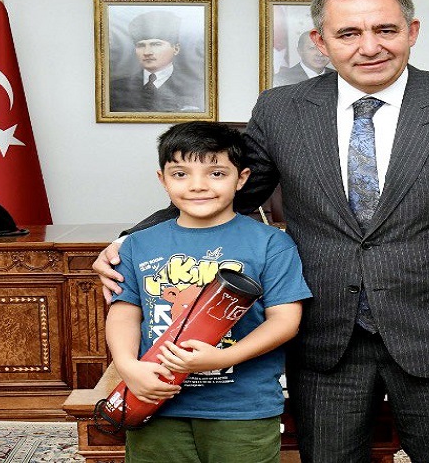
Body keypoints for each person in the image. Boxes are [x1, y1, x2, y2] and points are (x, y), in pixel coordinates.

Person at [96, 0, 429, 462]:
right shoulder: (281, 109)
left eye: (386, 30)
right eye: (348, 33)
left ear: (412, 31)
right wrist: (132, 240)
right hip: (325, 331)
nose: (369, 47)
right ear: (320, 41)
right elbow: (234, 193)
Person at [105, 121, 312, 462]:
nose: (198, 186)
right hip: (154, 400)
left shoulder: (272, 243)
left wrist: (223, 358)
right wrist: (128, 367)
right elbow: (124, 313)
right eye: (180, 174)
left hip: (242, 408)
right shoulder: (137, 244)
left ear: (241, 178)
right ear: (162, 179)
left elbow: (285, 321)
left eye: (216, 173)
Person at [110, 10, 203, 113]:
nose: (147, 52)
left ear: (176, 49)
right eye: (141, 45)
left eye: (156, 44)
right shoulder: (116, 88)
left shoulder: (196, 87)